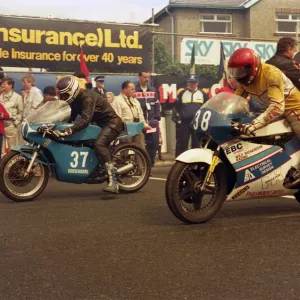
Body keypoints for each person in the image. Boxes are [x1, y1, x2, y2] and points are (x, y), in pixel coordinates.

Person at [54, 76, 123, 193]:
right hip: (100, 125)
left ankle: (114, 182)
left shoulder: (87, 97)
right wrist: (55, 125)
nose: (63, 98)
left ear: (72, 91)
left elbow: (86, 120)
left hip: (112, 123)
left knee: (99, 144)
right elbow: (70, 118)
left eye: (65, 95)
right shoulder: (75, 100)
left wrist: (69, 130)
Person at [228, 47, 300, 145]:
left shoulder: (271, 74)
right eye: (235, 72)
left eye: (241, 71)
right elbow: (235, 101)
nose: (239, 75)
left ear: (252, 67)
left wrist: (254, 125)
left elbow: (277, 107)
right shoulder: (244, 82)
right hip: (275, 113)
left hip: (294, 111)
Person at [173, 74, 208, 157]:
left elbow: (206, 108)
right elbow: (176, 108)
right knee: (182, 143)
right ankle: (179, 162)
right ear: (187, 83)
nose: (191, 84)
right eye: (190, 82)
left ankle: (195, 163)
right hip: (184, 123)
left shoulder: (203, 94)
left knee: (196, 145)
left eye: (193, 82)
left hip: (197, 123)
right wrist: (178, 119)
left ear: (197, 83)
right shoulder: (182, 93)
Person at [112, 80, 151, 147]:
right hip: (125, 129)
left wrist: (145, 125)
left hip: (137, 128)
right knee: (125, 151)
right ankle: (125, 157)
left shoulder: (135, 101)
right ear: (125, 89)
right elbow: (117, 116)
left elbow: (140, 115)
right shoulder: (117, 100)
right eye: (132, 89)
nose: (134, 91)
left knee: (141, 150)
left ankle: (140, 157)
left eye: (134, 89)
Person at [134, 71, 161, 167]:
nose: (147, 79)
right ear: (139, 77)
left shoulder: (153, 90)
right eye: (144, 77)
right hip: (139, 124)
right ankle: (140, 166)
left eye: (148, 77)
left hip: (151, 122)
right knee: (139, 145)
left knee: (153, 144)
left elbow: (157, 104)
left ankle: (150, 165)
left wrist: (157, 118)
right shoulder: (134, 90)